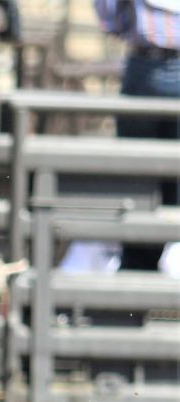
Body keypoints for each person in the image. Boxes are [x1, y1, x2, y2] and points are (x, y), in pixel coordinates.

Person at [94, 0, 179, 273]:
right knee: (148, 174)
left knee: (138, 174)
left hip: (145, 60)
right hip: (147, 63)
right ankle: (142, 264)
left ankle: (138, 266)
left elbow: (110, 15)